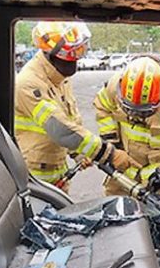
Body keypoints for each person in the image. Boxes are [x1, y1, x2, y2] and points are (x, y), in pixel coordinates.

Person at [14, 21, 139, 191]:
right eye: (75, 52)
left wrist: (79, 153)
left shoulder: (59, 78)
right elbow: (60, 128)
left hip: (56, 172)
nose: (78, 59)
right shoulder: (29, 83)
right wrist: (108, 154)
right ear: (56, 52)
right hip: (35, 178)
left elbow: (70, 120)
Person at [94, 56, 160, 196]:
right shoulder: (113, 87)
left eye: (143, 111)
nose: (135, 115)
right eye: (129, 109)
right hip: (124, 174)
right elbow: (102, 107)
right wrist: (112, 142)